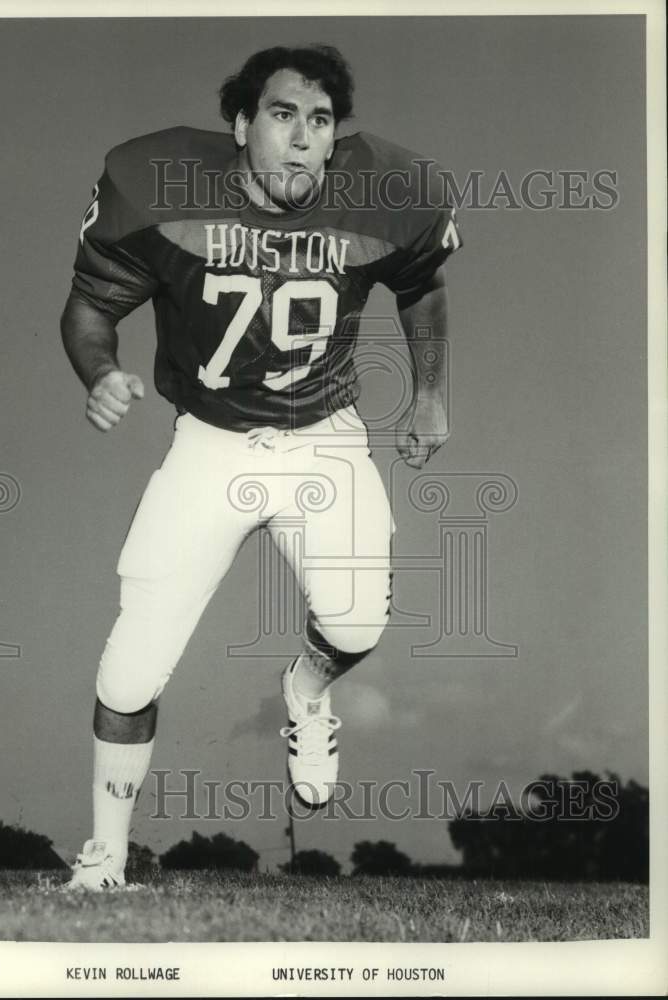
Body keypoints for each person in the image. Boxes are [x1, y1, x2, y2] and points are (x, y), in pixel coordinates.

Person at [60, 44, 461, 890]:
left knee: (354, 627)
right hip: (210, 439)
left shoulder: (387, 190)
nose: (303, 140)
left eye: (320, 122)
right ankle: (103, 853)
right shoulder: (159, 185)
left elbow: (420, 283)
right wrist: (100, 373)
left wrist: (430, 395)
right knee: (130, 668)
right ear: (241, 125)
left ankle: (306, 693)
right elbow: (92, 306)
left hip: (324, 432)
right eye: (282, 116)